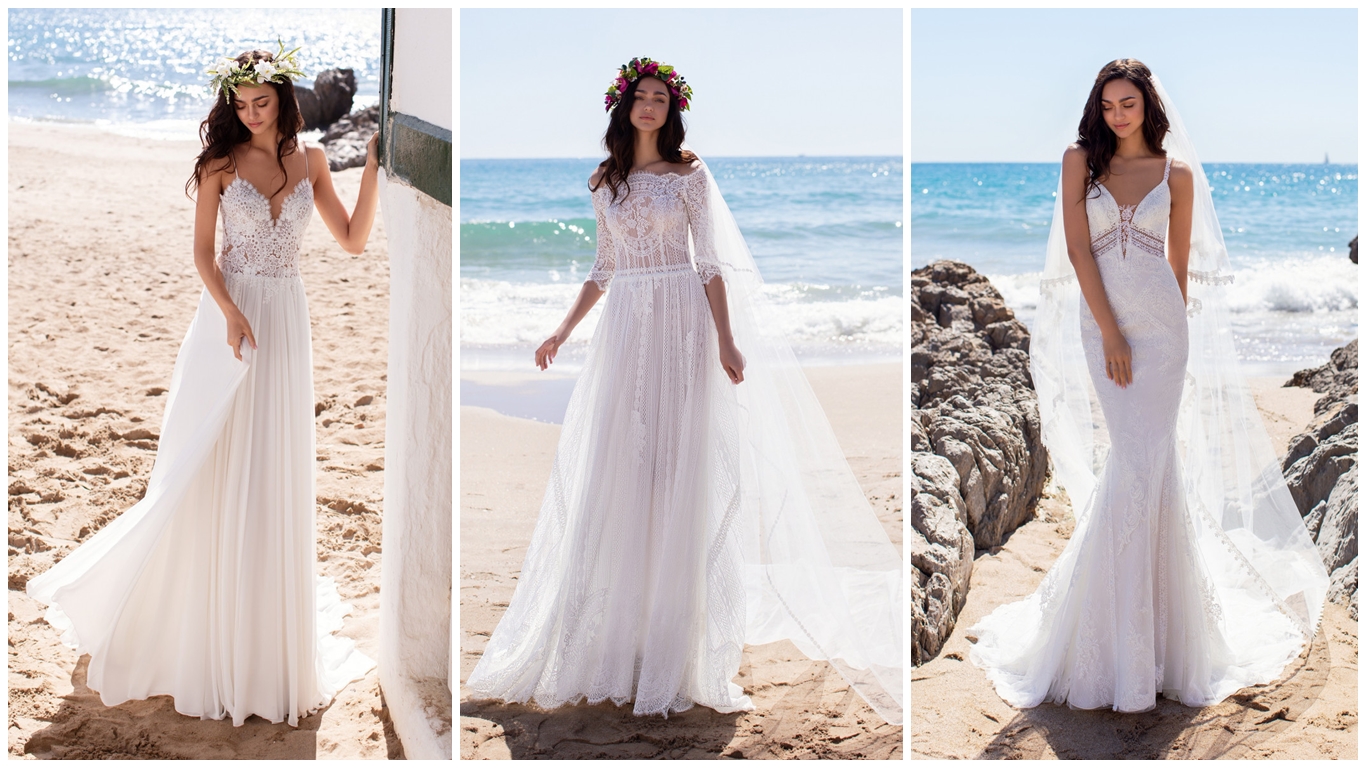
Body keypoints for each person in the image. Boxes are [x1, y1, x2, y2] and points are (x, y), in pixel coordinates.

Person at [465, 57, 902, 724]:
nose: (649, 106)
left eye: (660, 98)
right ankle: (623, 639)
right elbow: (602, 268)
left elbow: (710, 265)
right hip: (624, 335)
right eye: (640, 97)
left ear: (673, 109)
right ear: (623, 107)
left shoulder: (692, 175)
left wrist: (726, 340)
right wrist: (559, 332)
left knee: (681, 476)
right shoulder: (605, 181)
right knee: (622, 473)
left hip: (685, 329)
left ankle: (680, 646)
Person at [26, 42, 379, 727]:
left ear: (284, 101)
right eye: (240, 105)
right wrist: (229, 311)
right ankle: (196, 615)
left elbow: (354, 240)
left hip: (289, 318)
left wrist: (370, 172)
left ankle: (261, 625)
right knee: (208, 459)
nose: (250, 115)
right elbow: (199, 253)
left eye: (262, 103)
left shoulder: (309, 162)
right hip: (233, 320)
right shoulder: (220, 164)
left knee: (272, 462)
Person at [969, 59, 1329, 712]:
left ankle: (1158, 644)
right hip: (1104, 322)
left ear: (1149, 106)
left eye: (1128, 104)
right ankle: (1116, 648)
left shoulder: (1177, 174)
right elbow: (1080, 251)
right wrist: (1109, 331)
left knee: (1150, 464)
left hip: (1164, 333)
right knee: (1133, 463)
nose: (1117, 115)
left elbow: (1178, 267)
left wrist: (1172, 342)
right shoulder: (1080, 161)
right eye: (1107, 105)